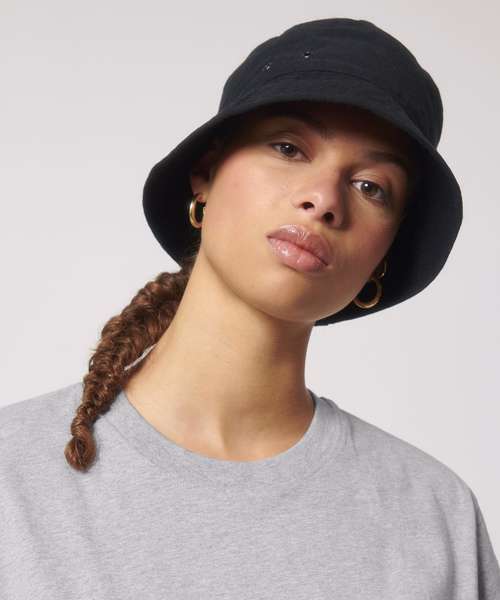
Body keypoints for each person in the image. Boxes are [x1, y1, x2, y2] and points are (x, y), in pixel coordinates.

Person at [1, 17, 499, 599]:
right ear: (206, 175)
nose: (323, 199)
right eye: (288, 148)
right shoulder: (13, 479)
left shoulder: (434, 519)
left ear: (383, 255)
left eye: (371, 187)